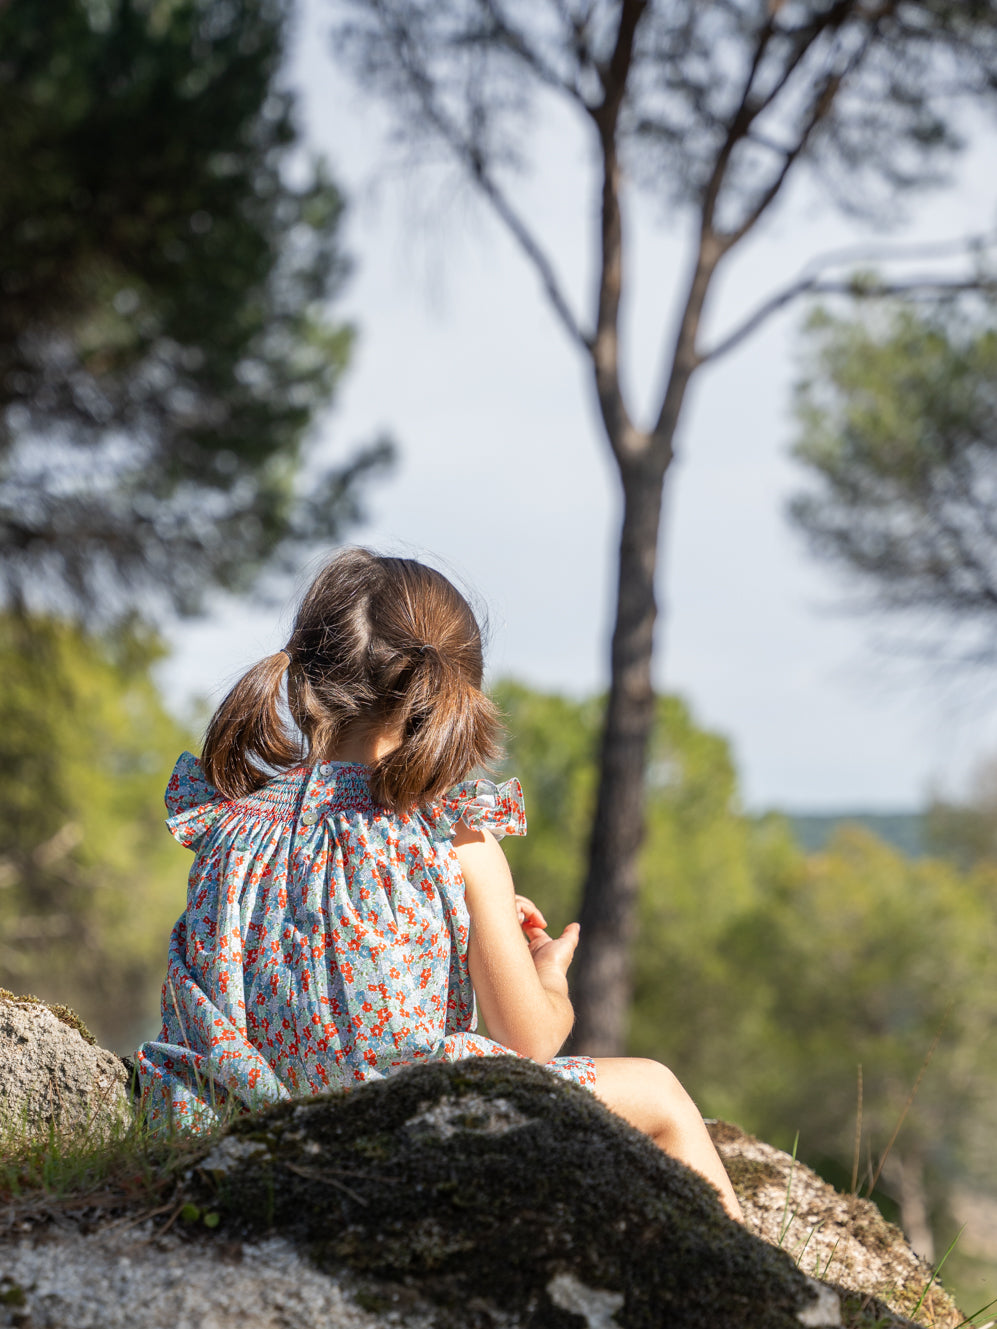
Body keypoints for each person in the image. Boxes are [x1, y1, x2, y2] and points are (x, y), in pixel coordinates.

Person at [136, 548, 742, 1222]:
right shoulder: (452, 829)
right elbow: (529, 1042)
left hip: (229, 1139)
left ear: (306, 669)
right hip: (402, 1135)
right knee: (658, 1091)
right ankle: (757, 1296)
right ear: (451, 689)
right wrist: (548, 981)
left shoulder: (225, 819)